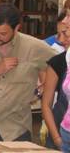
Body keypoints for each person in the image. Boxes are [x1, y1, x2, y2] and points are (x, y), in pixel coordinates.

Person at [0, 3, 56, 141]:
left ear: (17, 28)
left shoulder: (34, 47)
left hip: (17, 130)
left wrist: (47, 85)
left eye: (3, 33)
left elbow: (62, 64)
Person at [42, 10, 70, 149]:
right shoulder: (57, 62)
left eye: (65, 33)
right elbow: (46, 105)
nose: (60, 39)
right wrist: (57, 138)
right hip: (59, 129)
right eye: (58, 34)